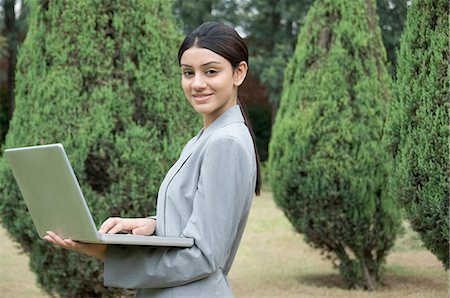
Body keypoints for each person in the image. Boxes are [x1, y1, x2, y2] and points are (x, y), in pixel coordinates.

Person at [44, 21, 261, 297]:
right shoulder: (207, 137)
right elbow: (201, 218)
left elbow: (205, 256)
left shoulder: (225, 142)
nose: (197, 83)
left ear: (238, 73)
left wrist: (106, 252)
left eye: (211, 71)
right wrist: (153, 224)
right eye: (187, 72)